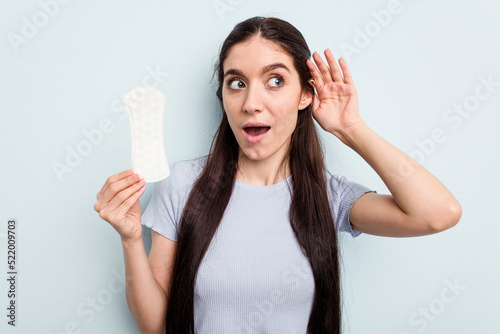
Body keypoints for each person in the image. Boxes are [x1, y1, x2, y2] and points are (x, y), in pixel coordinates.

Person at [94, 16, 462, 334]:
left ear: (306, 93)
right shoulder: (182, 185)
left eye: (275, 81)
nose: (251, 102)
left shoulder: (328, 197)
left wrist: (349, 127)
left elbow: (437, 213)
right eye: (236, 82)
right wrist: (129, 240)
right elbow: (156, 326)